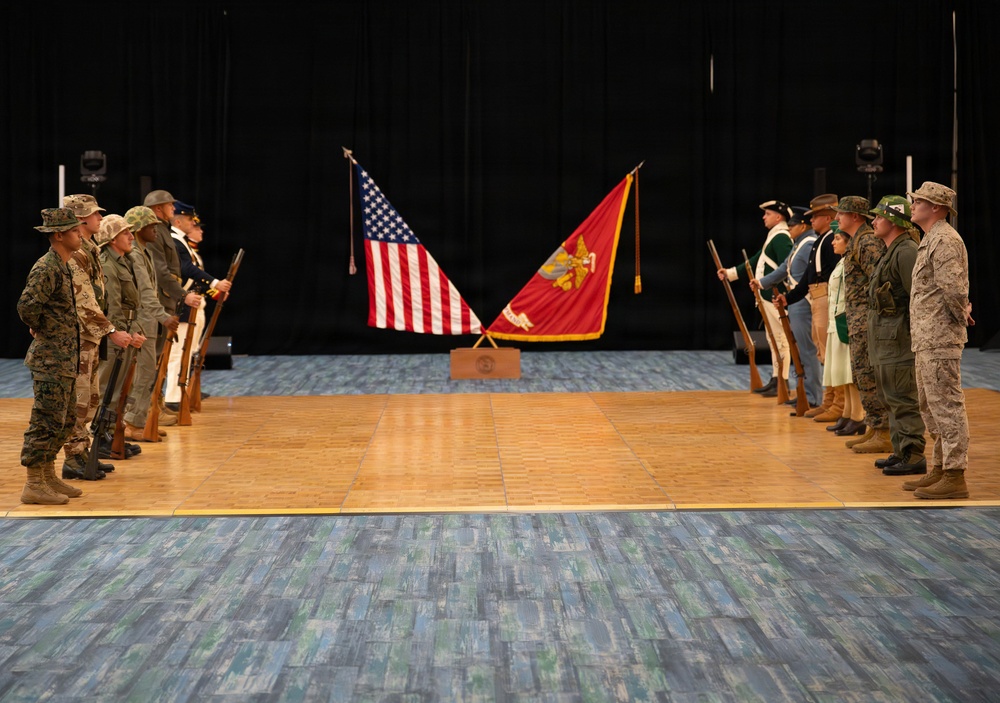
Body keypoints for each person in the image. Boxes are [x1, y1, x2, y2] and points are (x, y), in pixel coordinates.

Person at [904, 182, 973, 499]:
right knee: (930, 406)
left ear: (936, 207)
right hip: (926, 338)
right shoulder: (930, 238)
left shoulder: (944, 240)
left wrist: (961, 315)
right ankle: (940, 468)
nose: (913, 204)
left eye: (918, 200)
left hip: (940, 336)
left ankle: (955, 474)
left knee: (946, 406)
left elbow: (954, 290)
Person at [59, 195, 133, 479]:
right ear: (80, 219)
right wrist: (111, 330)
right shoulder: (76, 252)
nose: (100, 218)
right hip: (79, 336)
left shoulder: (88, 247)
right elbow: (84, 301)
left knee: (90, 397)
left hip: (91, 335)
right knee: (79, 399)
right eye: (94, 214)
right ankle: (73, 457)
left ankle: (83, 451)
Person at [17, 209, 87, 504]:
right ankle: (33, 483)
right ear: (58, 235)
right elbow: (26, 306)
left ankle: (48, 476)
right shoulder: (47, 267)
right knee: (46, 419)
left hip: (65, 358)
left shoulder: (64, 265)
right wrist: (39, 327)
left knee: (65, 419)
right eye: (74, 230)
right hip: (50, 358)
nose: (80, 234)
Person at [865, 196, 926, 476]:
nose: (874, 221)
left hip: (900, 340)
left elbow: (918, 298)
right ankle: (900, 449)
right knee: (890, 397)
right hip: (886, 339)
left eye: (879, 216)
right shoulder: (891, 249)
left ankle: (913, 454)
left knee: (903, 397)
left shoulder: (906, 251)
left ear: (893, 220)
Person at [718, 200, 794, 397]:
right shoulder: (774, 236)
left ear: (778, 217)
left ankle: (783, 380)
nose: (764, 217)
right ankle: (777, 378)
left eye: (767, 214)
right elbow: (756, 261)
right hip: (767, 295)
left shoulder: (781, 237)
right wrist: (731, 273)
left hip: (775, 296)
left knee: (780, 338)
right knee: (773, 339)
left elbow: (788, 267)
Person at [835, 196, 891, 453]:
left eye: (841, 213)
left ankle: (884, 432)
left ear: (855, 216)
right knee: (862, 376)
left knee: (870, 376)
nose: (837, 218)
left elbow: (879, 281)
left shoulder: (867, 242)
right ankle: (874, 427)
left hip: (868, 321)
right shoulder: (858, 241)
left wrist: (874, 318)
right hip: (858, 320)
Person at [122, 206, 180, 439]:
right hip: (142, 323)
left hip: (147, 322)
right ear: (139, 229)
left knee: (146, 374)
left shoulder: (143, 252)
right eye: (151, 226)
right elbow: (146, 293)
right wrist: (164, 316)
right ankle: (132, 424)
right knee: (143, 374)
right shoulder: (135, 254)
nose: (156, 230)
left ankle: (137, 421)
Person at [165, 202, 230, 408]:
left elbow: (193, 276)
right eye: (189, 220)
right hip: (182, 305)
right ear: (177, 221)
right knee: (178, 352)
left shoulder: (182, 243)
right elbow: (186, 269)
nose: (194, 223)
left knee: (190, 351)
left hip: (193, 302)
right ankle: (173, 397)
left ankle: (183, 391)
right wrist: (214, 283)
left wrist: (213, 291)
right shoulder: (175, 242)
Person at [781, 194, 841, 418]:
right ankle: (830, 400)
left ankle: (837, 404)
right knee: (822, 350)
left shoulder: (831, 239)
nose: (811, 222)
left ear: (827, 218)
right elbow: (808, 278)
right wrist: (789, 298)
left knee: (828, 351)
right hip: (817, 296)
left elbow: (833, 274)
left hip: (826, 296)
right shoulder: (821, 240)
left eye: (815, 217)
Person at [758, 207, 823, 410]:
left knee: (807, 352)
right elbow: (784, 268)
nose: (789, 229)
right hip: (796, 303)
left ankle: (814, 397)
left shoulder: (808, 244)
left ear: (802, 226)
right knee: (800, 352)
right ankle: (805, 392)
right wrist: (762, 283)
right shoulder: (799, 244)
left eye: (792, 226)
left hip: (804, 303)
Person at [95, 215, 148, 461]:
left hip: (127, 331)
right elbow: (113, 306)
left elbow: (133, 304)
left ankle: (114, 435)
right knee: (109, 389)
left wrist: (136, 330)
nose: (130, 237)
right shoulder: (107, 264)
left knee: (121, 390)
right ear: (113, 238)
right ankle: (101, 437)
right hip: (114, 336)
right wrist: (121, 333)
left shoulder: (123, 261)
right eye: (126, 233)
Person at [821, 227, 865, 439]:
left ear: (849, 242)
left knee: (850, 373)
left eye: (837, 238)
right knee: (840, 372)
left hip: (846, 321)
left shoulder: (852, 262)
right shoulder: (842, 262)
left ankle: (858, 416)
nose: (833, 242)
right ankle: (847, 413)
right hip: (836, 320)